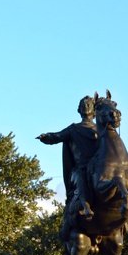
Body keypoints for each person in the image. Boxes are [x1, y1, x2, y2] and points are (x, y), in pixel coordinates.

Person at [37, 95, 99, 225]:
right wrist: (47, 137)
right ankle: (85, 206)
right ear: (79, 110)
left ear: (94, 110)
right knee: (81, 177)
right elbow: (57, 136)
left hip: (98, 168)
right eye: (83, 104)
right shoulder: (73, 129)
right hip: (80, 169)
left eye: (89, 104)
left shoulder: (100, 130)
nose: (86, 106)